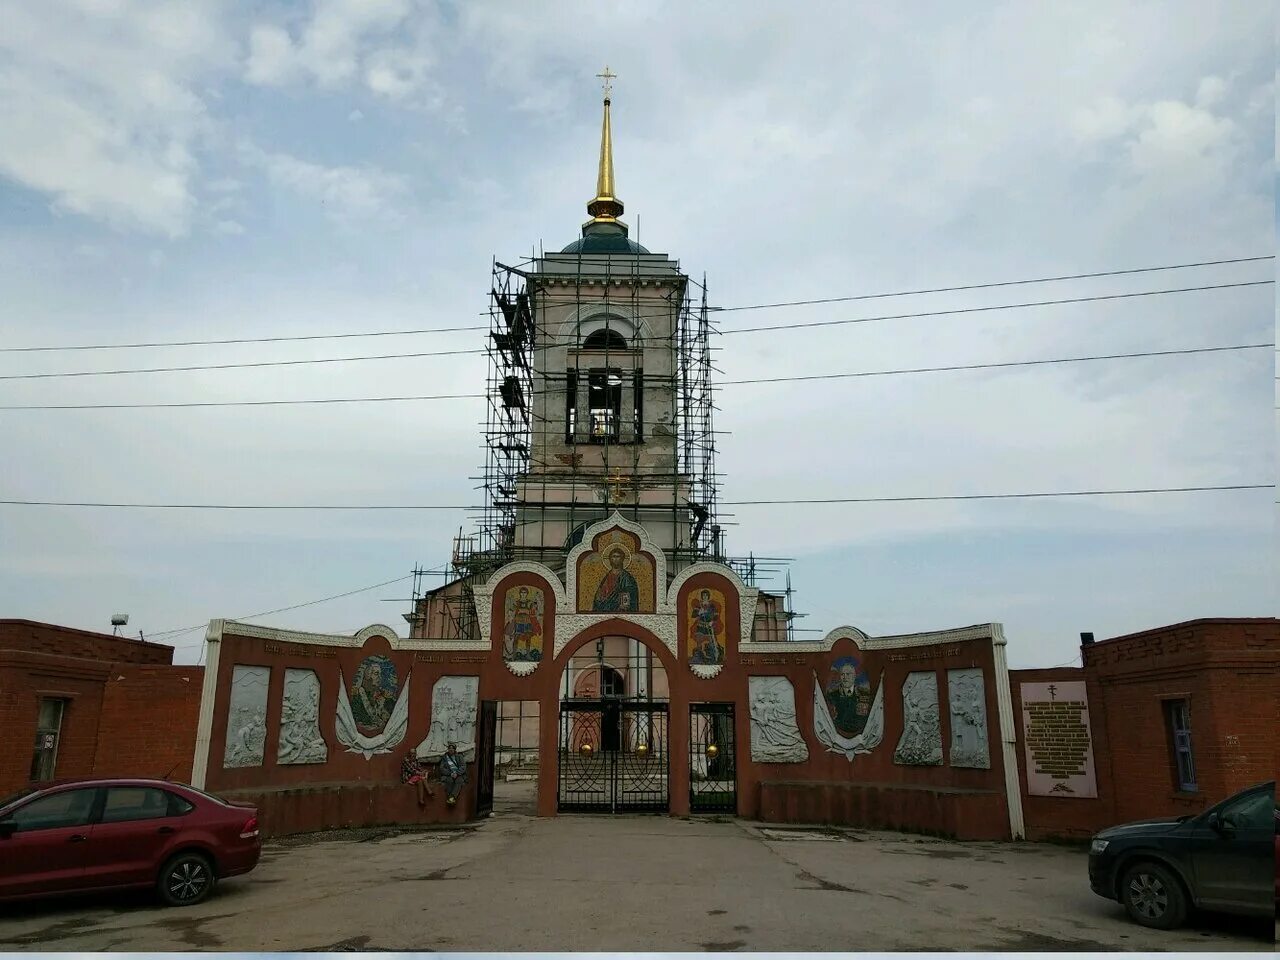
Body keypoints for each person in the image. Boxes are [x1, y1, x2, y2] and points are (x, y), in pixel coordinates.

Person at [592, 546, 639, 612]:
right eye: (613, 556)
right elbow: (600, 594)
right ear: (610, 559)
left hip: (619, 609)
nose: (616, 559)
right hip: (605, 609)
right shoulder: (607, 576)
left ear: (622, 559)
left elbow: (629, 592)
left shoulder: (626, 577)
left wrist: (623, 606)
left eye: (618, 557)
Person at [689, 588, 723, 664]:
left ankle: (713, 656)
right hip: (700, 625)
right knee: (699, 640)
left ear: (708, 596)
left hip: (709, 626)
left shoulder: (712, 606)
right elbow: (693, 615)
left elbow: (716, 616)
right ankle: (698, 656)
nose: (704, 597)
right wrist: (698, 612)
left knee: (711, 640)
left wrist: (712, 621)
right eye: (703, 595)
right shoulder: (699, 605)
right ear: (701, 596)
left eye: (706, 595)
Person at [438, 741, 467, 807]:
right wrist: (450, 773)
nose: (451, 749)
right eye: (449, 748)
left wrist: (457, 773)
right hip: (449, 775)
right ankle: (451, 798)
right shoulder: (444, 758)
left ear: (454, 749)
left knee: (459, 781)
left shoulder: (459, 756)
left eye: (452, 748)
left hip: (458, 774)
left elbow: (463, 766)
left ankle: (452, 797)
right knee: (449, 781)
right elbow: (442, 768)